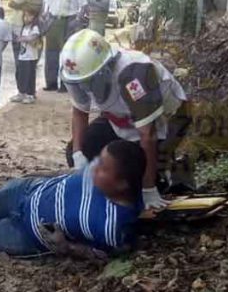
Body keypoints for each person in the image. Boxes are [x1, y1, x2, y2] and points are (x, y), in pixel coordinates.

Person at [0, 140, 146, 257]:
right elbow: (68, 174)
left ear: (122, 183)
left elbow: (101, 256)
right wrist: (32, 176)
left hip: (26, 234)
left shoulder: (114, 229)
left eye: (103, 167)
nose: (94, 168)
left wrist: (66, 246)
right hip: (23, 191)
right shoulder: (102, 175)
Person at [59, 29, 194, 210]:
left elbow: (149, 135)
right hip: (121, 118)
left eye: (88, 82)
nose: (84, 88)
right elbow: (79, 110)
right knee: (83, 148)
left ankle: (171, 173)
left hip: (164, 121)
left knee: (140, 178)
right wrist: (78, 154)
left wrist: (148, 187)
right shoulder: (76, 73)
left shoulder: (134, 75)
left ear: (104, 70)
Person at [42, 0, 87, 92]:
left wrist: (77, 21)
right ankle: (51, 83)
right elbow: (48, 2)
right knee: (51, 54)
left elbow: (83, 6)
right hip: (53, 20)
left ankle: (65, 84)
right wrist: (45, 15)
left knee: (67, 54)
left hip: (69, 21)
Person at [7, 0, 45, 96]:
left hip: (20, 26)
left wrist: (21, 6)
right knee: (28, 64)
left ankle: (23, 92)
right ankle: (26, 91)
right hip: (28, 26)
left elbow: (12, 2)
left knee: (22, 63)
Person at [11, 11, 42, 104]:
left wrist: (22, 39)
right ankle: (21, 92)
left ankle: (30, 94)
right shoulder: (24, 27)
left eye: (29, 16)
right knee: (21, 75)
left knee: (30, 76)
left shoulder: (35, 28)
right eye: (25, 16)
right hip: (22, 56)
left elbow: (33, 38)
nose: (26, 18)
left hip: (31, 56)